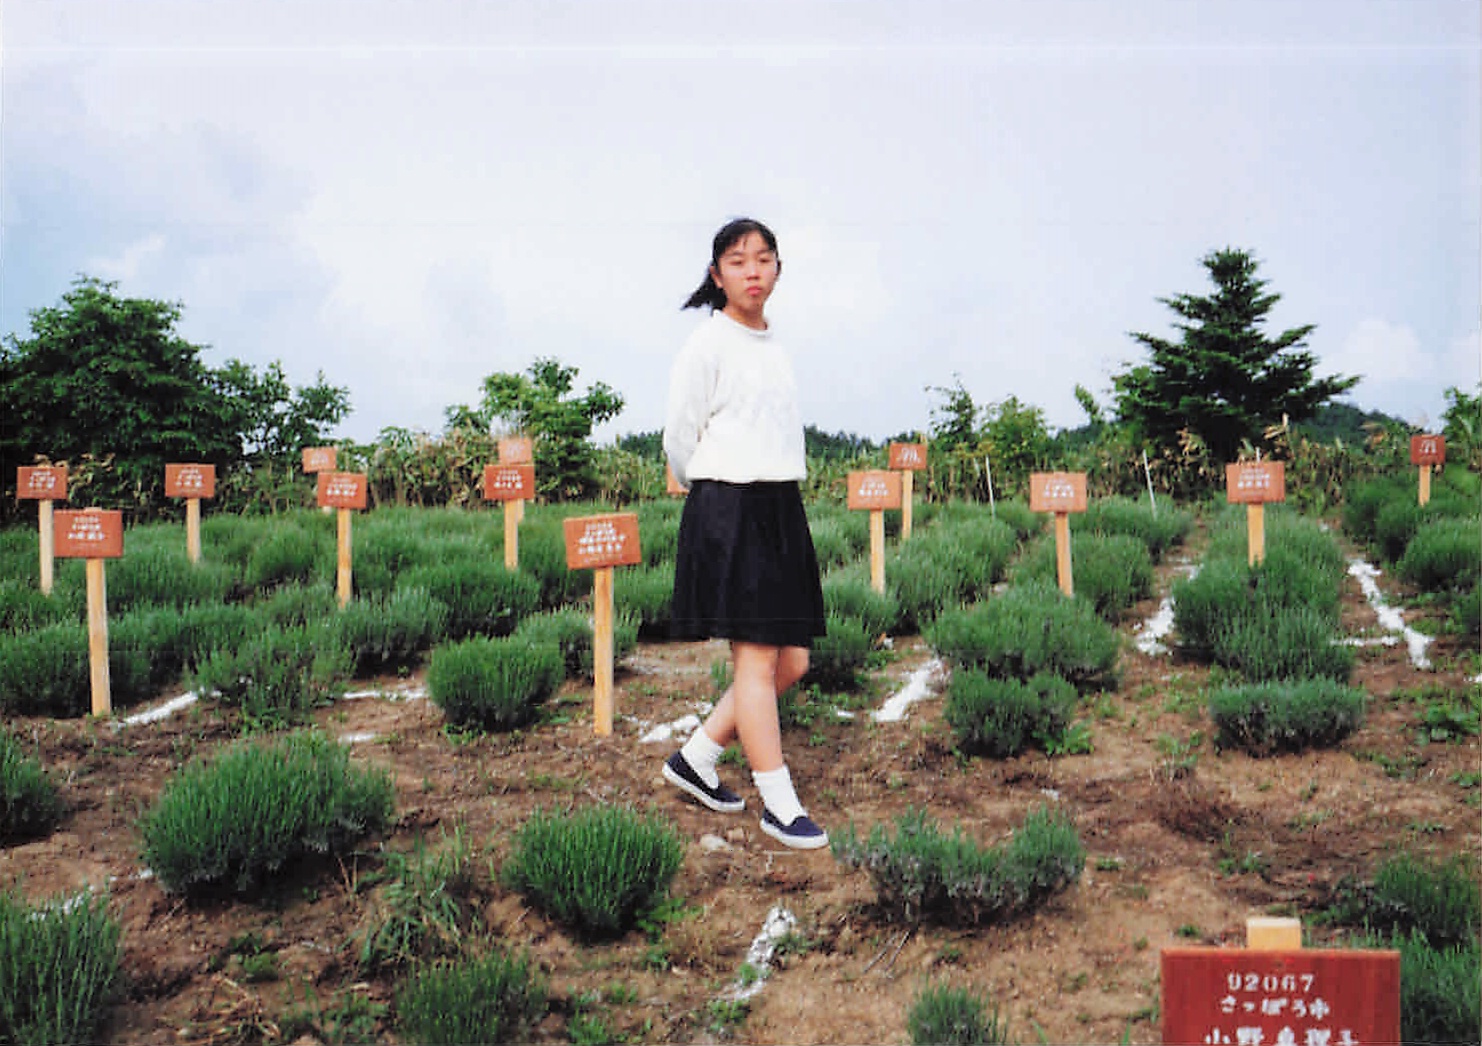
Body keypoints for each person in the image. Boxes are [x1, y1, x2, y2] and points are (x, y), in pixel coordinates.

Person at [660, 217, 829, 851]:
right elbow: (680, 437)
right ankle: (779, 806)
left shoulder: (773, 345)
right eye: (737, 261)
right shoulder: (707, 344)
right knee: (756, 662)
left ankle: (697, 757)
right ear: (717, 275)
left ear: (778, 269)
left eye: (763, 258)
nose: (752, 270)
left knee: (793, 661)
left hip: (779, 503)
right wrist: (708, 488)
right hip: (730, 505)